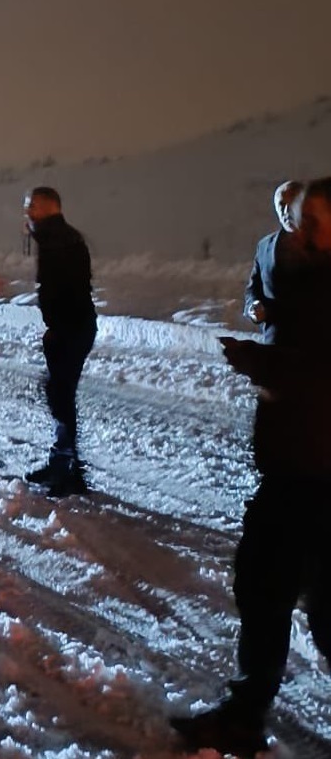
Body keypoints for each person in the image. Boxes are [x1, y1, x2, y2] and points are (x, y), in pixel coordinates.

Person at [170, 177, 331, 756]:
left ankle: (242, 714)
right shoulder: (294, 261)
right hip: (295, 458)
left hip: (314, 470)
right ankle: (242, 713)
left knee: (278, 588)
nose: (303, 227)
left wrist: (266, 364)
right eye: (299, 216)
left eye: (315, 218)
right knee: (270, 589)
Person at [21, 187, 97, 497]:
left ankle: (70, 471)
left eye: (30, 207)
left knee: (61, 394)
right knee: (59, 392)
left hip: (71, 328)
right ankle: (62, 461)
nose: (27, 213)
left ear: (45, 206)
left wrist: (58, 328)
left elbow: (70, 291)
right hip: (71, 327)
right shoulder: (59, 237)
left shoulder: (60, 240)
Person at [244, 180, 304, 343]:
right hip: (275, 346)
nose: (286, 211)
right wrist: (253, 307)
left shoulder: (324, 245)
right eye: (281, 205)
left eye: (292, 204)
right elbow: (253, 288)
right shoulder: (264, 246)